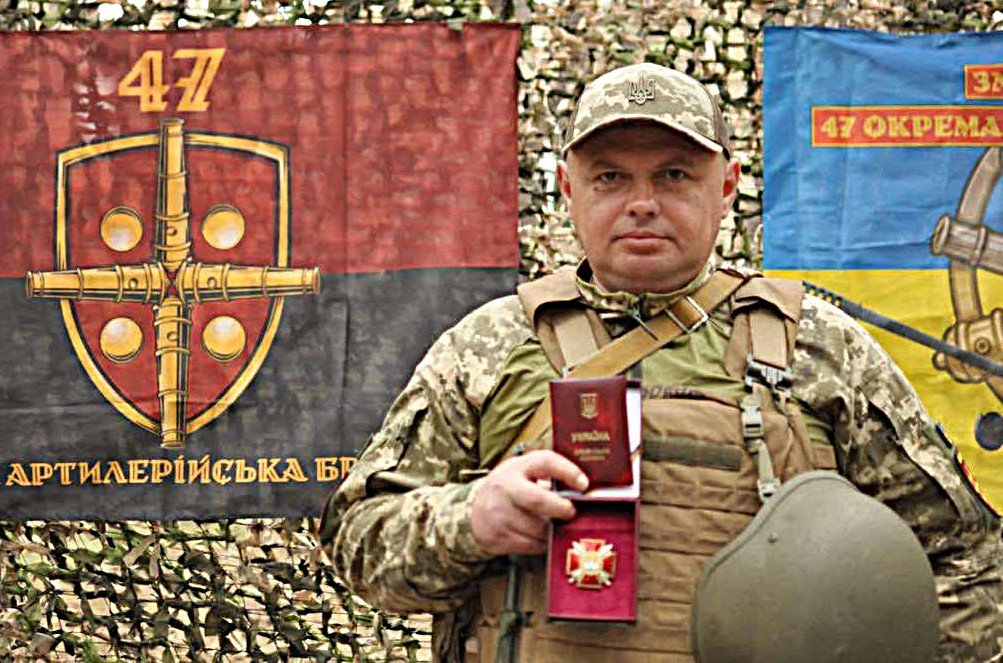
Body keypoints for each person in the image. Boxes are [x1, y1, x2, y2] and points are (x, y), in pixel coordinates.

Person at [319, 63, 1002, 661]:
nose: (642, 204)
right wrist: (471, 519)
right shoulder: (490, 346)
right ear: (567, 189)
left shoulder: (819, 347)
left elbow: (969, 559)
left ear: (727, 186)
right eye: (610, 177)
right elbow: (358, 543)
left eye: (674, 175)